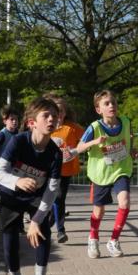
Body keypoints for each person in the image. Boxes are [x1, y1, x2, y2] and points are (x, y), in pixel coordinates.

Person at [0, 96, 62, 275]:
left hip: (37, 197)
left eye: (54, 116)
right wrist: (17, 181)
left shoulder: (55, 154)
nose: (51, 119)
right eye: (46, 115)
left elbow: (51, 190)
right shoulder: (18, 141)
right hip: (11, 195)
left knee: (42, 235)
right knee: (10, 241)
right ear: (32, 122)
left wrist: (37, 220)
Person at [76, 90, 133, 259]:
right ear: (98, 109)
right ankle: (93, 238)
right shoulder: (94, 127)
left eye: (113, 102)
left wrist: (132, 149)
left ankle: (114, 240)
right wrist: (94, 142)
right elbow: (79, 147)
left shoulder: (125, 121)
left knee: (125, 202)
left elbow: (128, 139)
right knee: (99, 211)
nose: (111, 106)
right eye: (106, 104)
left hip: (121, 169)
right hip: (101, 173)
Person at [49, 96, 84, 244]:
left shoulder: (72, 127)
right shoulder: (47, 126)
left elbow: (86, 141)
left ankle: (60, 230)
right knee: (52, 198)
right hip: (49, 169)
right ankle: (52, 220)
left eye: (61, 111)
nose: (59, 114)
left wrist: (74, 151)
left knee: (59, 197)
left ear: (65, 112)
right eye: (56, 111)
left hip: (66, 169)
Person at [0, 105, 22, 196]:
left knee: (13, 187)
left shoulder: (19, 133)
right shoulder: (1, 135)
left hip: (13, 164)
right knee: (4, 189)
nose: (14, 121)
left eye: (16, 119)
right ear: (5, 121)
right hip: (1, 163)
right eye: (11, 119)